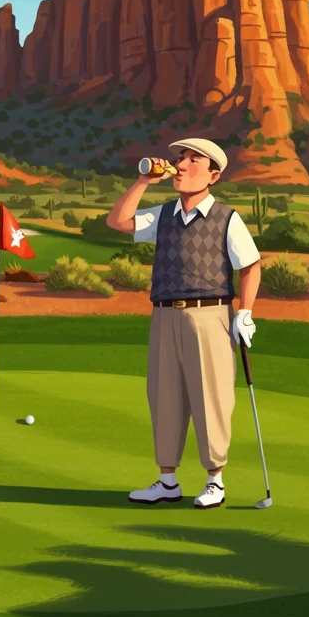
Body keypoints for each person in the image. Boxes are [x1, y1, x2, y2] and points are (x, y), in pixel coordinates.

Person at [105, 138, 261, 509]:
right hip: (164, 314)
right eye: (181, 158)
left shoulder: (226, 218)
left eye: (194, 160)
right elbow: (117, 221)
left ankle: (214, 481)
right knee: (165, 396)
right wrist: (144, 181)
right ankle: (167, 481)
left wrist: (245, 312)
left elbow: (251, 266)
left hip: (210, 314)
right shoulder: (163, 215)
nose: (182, 165)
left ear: (213, 175)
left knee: (211, 397)